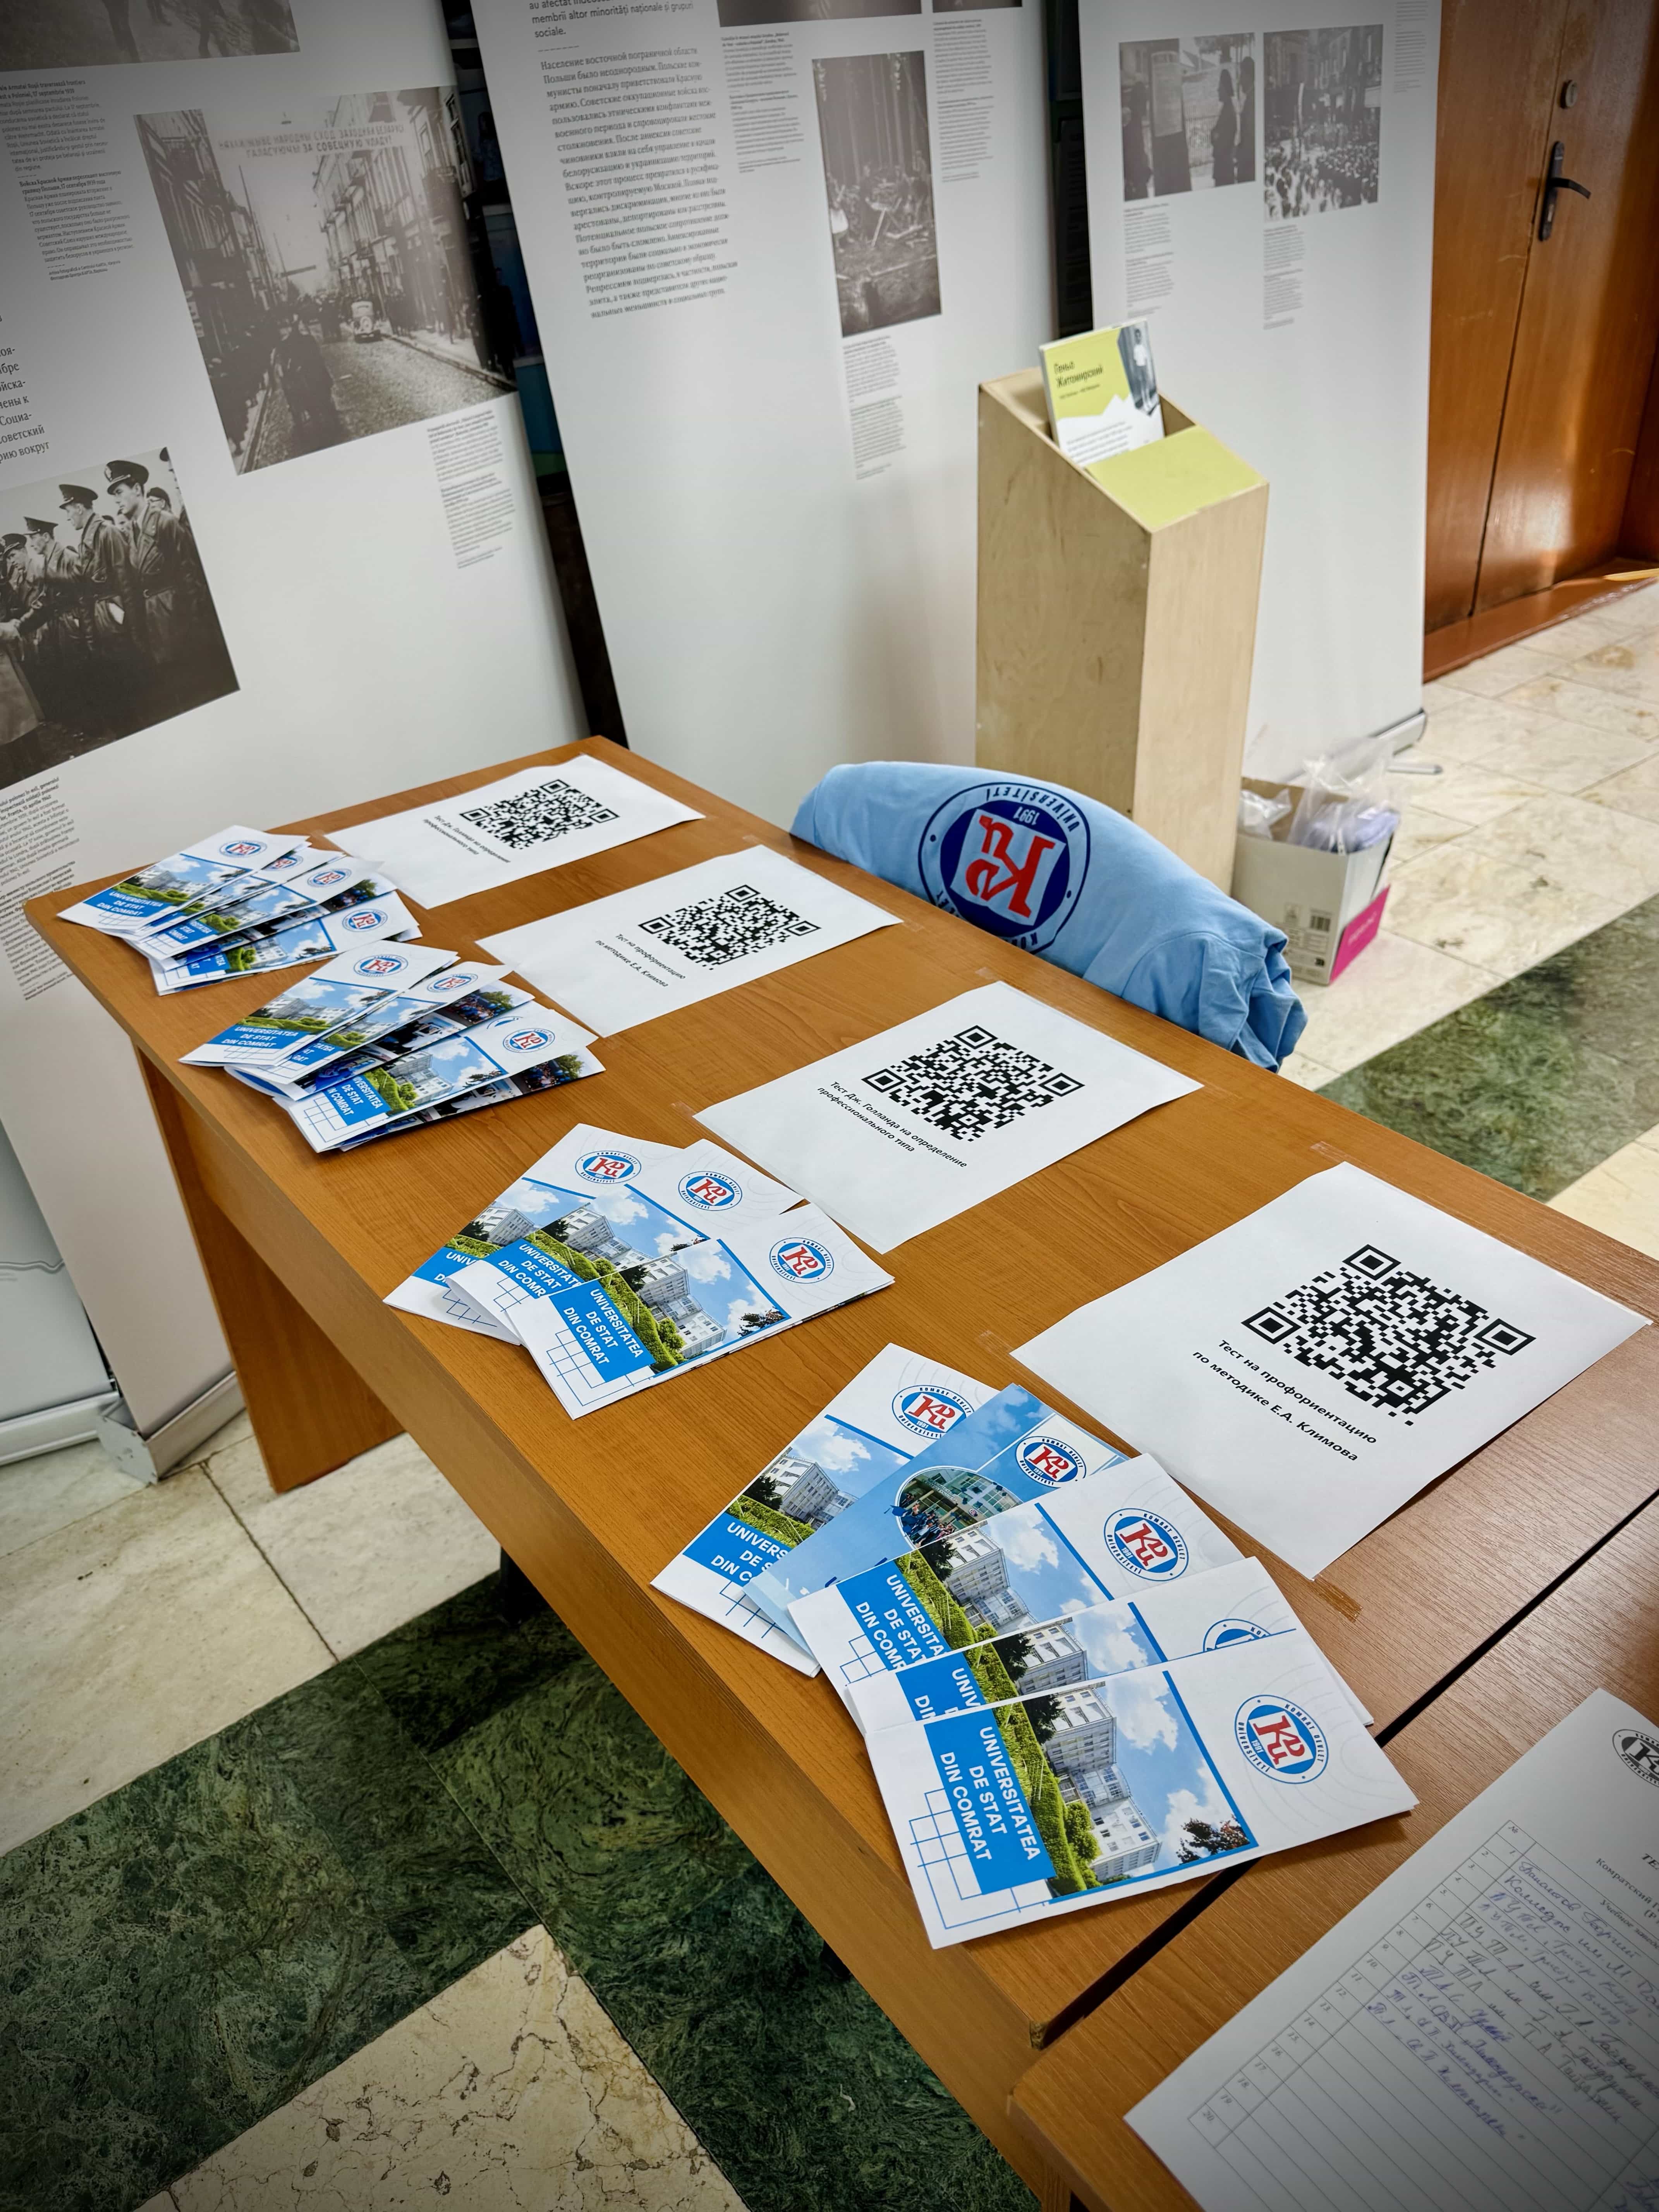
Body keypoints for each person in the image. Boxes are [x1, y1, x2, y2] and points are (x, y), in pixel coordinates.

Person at [1211, 66, 1237, 186]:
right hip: (1223, 166)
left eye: (1220, 87)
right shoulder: (1226, 109)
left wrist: (1215, 135)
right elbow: (1215, 134)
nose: (1218, 90)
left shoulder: (1228, 112)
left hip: (1224, 167)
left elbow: (1221, 139)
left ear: (1225, 89)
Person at [1237, 54, 1256, 183]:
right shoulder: (1250, 98)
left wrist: (1240, 154)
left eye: (1242, 75)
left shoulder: (1252, 101)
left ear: (1249, 76)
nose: (1240, 81)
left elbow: (1250, 137)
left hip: (1248, 166)